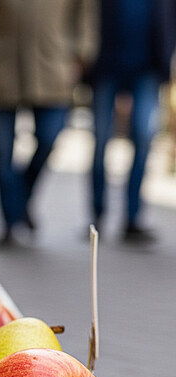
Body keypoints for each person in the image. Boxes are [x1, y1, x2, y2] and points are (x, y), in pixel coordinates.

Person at [0, 0, 98, 244]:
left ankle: (20, 200)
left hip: (53, 64)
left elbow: (85, 11)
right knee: (4, 151)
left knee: (49, 137)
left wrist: (81, 51)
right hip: (2, 63)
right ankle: (9, 221)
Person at [87, 0, 176, 245]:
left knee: (143, 137)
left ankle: (133, 217)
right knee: (101, 140)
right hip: (106, 66)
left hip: (148, 68)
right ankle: (97, 215)